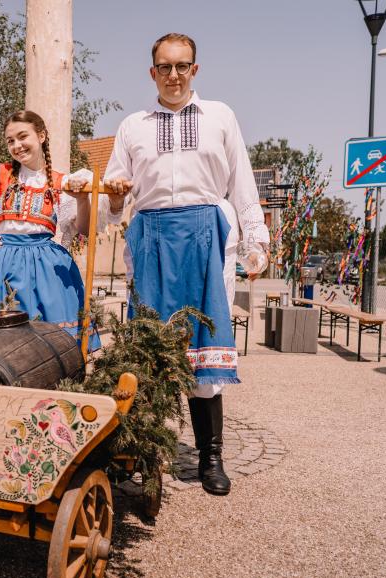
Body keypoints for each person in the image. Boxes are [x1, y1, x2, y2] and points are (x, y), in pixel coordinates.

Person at [103, 33, 270, 496]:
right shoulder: (132, 125)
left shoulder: (220, 116)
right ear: (152, 72)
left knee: (203, 342)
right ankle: (142, 454)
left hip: (206, 235)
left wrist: (256, 238)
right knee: (148, 348)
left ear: (195, 69)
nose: (173, 75)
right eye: (164, 66)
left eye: (181, 66)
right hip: (151, 236)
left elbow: (242, 182)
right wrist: (114, 198)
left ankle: (210, 456)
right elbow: (113, 200)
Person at [0, 110, 101, 347]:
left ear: (41, 136)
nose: (17, 145)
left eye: (22, 136)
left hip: (45, 268)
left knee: (49, 343)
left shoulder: (62, 182)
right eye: (10, 140)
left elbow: (85, 229)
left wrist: (81, 199)